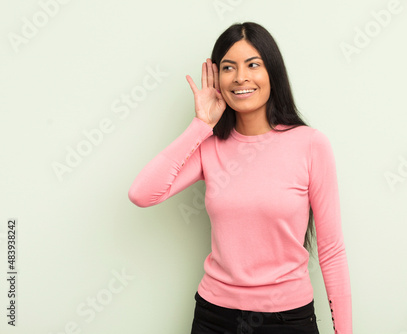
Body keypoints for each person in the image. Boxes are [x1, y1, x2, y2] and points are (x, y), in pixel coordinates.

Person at [128, 22, 352, 334]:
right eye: (229, 67)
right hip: (214, 317)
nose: (241, 77)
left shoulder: (310, 144)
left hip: (287, 319)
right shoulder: (210, 147)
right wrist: (201, 124)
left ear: (272, 72)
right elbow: (142, 194)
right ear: (218, 79)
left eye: (253, 65)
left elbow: (331, 250)